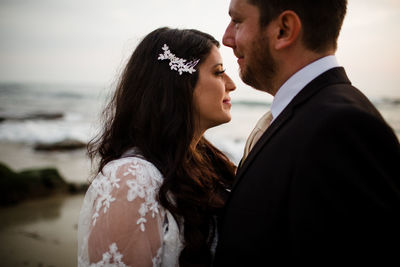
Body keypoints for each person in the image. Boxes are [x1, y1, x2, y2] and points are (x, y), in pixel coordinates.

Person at [214, 0, 400, 265]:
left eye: (238, 21)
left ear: (284, 30)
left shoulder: (342, 129)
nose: (227, 38)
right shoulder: (305, 115)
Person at [77, 27, 237, 267]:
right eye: (218, 72)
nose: (232, 84)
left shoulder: (205, 163)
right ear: (178, 85)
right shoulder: (132, 180)